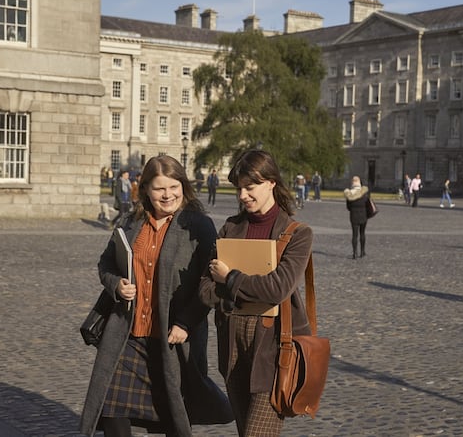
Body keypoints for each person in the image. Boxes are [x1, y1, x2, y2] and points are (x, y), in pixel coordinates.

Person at [79, 155, 230, 436]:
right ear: (146, 188)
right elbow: (106, 264)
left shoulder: (198, 226)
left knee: (172, 416)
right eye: (160, 188)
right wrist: (116, 284)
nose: (168, 195)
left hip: (173, 339)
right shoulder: (129, 222)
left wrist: (186, 323)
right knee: (111, 410)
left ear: (183, 186)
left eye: (174, 186)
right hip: (128, 336)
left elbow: (210, 283)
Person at [199, 149, 313, 437]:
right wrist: (234, 294)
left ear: (271, 182)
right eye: (239, 188)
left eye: (250, 187)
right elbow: (204, 290)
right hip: (233, 341)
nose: (243, 195)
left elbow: (277, 288)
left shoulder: (296, 233)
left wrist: (231, 278)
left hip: (274, 347)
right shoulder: (230, 228)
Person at [344, 175, 369, 259]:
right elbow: (367, 204)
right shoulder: (364, 193)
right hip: (363, 215)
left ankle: (354, 253)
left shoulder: (349, 194)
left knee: (354, 235)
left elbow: (348, 207)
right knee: (362, 233)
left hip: (354, 215)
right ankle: (362, 252)